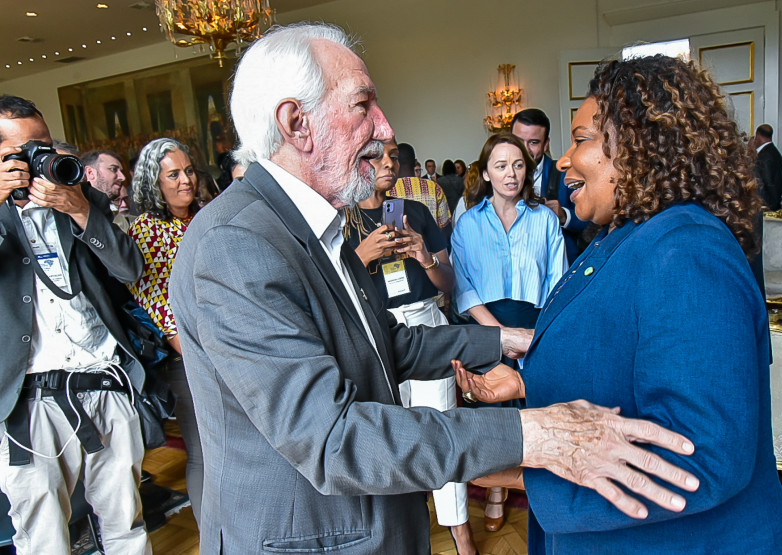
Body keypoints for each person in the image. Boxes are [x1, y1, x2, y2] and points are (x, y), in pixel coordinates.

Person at [169, 23, 699, 555]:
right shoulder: (235, 243)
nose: (384, 127)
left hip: (377, 522)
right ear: (296, 122)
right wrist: (535, 435)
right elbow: (333, 440)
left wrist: (507, 340)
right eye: (363, 105)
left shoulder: (316, 225)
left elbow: (387, 346)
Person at [455, 55, 782, 554]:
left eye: (581, 139)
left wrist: (524, 467)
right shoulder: (619, 237)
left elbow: (703, 451)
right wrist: (530, 382)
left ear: (638, 143)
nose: (563, 160)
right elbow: (621, 361)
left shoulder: (687, 250)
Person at [0, 95, 151, 554]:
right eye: (23, 151)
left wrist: (80, 210)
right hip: (27, 400)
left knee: (127, 523)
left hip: (104, 380)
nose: (37, 159)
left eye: (42, 145)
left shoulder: (79, 198)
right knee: (44, 538)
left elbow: (130, 268)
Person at [344, 138, 478, 555]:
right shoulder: (341, 225)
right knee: (390, 434)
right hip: (376, 333)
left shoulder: (416, 212)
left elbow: (449, 283)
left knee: (443, 426)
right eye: (379, 157)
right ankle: (405, 527)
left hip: (425, 322)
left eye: (393, 157)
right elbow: (338, 294)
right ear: (358, 162)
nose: (390, 162)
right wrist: (361, 257)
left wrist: (425, 257)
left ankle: (460, 532)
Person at [450, 132, 567, 531]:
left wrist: (536, 335)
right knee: (492, 415)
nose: (511, 173)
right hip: (486, 327)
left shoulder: (545, 219)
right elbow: (463, 287)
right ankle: (498, 489)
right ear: (486, 172)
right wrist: (500, 334)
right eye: (501, 165)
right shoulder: (468, 223)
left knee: (534, 412)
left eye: (518, 165)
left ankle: (539, 495)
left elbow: (558, 282)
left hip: (536, 327)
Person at [126, 137, 204, 521]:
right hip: (187, 356)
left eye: (188, 170)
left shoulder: (203, 215)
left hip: (228, 343)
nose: (185, 180)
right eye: (173, 174)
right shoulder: (147, 229)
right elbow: (157, 304)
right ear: (153, 183)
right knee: (204, 450)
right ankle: (214, 538)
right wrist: (198, 356)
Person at [511, 108, 589, 262]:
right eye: (519, 141)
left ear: (546, 144)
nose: (524, 149)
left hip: (560, 265)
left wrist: (563, 215)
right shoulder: (496, 176)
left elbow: (590, 220)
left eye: (533, 142)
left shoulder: (565, 173)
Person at [391, 142, 453, 244]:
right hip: (431, 251)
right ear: (415, 163)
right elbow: (445, 226)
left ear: (394, 162)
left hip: (399, 252)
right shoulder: (434, 188)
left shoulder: (388, 190)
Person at [82, 149, 131, 231]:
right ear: (90, 173)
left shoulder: (119, 218)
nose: (122, 177)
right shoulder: (76, 212)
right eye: (113, 169)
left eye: (121, 171)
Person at [753, 123, 782, 209]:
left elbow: (768, 183)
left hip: (767, 205)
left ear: (757, 135)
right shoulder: (775, 153)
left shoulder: (764, 157)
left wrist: (770, 206)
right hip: (776, 202)